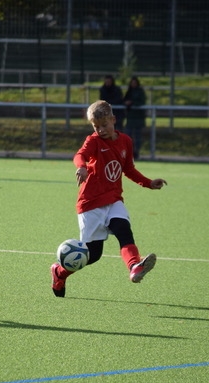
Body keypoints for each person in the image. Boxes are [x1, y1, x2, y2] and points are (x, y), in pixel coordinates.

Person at [50, 100, 167, 298]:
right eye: (96, 126)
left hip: (113, 199)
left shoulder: (125, 141)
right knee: (93, 255)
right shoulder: (93, 141)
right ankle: (59, 273)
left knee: (123, 229)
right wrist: (81, 167)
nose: (101, 130)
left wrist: (148, 183)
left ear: (113, 119)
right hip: (91, 203)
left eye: (104, 125)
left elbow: (128, 169)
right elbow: (80, 155)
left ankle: (134, 267)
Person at [123, 76, 147, 160]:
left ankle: (136, 152)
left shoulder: (140, 92)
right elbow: (124, 100)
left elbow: (141, 102)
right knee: (128, 136)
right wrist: (126, 103)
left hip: (138, 118)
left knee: (137, 137)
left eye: (134, 83)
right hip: (130, 118)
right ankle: (130, 152)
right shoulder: (129, 91)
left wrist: (132, 103)